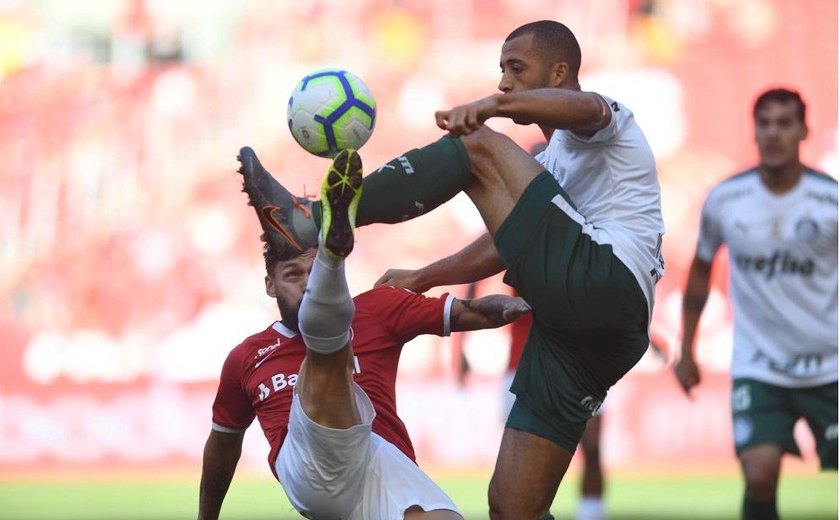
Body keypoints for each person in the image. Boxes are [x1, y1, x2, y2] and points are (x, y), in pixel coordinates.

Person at [240, 19, 664, 520]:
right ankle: (323, 217)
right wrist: (425, 277)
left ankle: (313, 219)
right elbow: (507, 245)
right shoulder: (549, 165)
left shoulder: (608, 124)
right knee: (513, 507)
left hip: (605, 278)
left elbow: (586, 106)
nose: (504, 82)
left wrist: (493, 108)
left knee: (475, 145)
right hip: (591, 339)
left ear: (561, 70)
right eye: (501, 72)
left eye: (516, 69)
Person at [198, 152, 532, 519]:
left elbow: (471, 312)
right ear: (270, 286)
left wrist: (516, 307)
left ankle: (322, 239)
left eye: (313, 272)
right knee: (327, 351)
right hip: (313, 472)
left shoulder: (379, 309)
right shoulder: (248, 357)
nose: (306, 285)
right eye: (293, 276)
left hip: (380, 462)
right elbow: (223, 444)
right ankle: (330, 251)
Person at [673, 88, 837, 520]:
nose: (773, 133)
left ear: (804, 130)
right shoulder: (726, 199)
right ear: (754, 130)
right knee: (760, 473)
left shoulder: (831, 201)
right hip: (759, 367)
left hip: (831, 365)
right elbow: (700, 270)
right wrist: (686, 349)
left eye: (784, 123)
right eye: (765, 123)